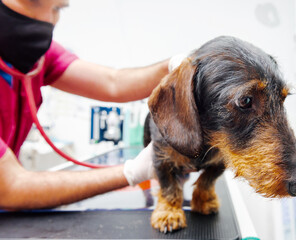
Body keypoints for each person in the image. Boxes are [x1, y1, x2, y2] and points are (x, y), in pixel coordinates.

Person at [0, 0, 170, 210]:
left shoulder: (39, 58)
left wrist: (171, 68)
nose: (49, 20)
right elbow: (10, 186)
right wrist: (133, 172)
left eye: (57, 9)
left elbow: (113, 83)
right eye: (34, 3)